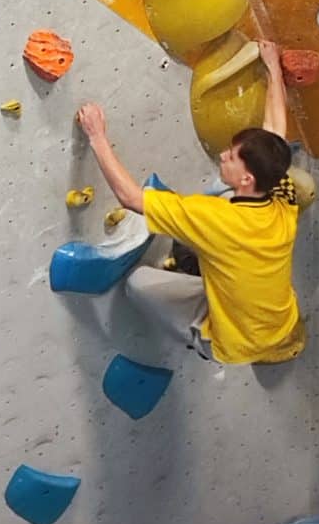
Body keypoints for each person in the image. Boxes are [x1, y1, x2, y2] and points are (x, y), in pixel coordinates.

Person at [76, 40, 305, 366]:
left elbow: (130, 198)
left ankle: (196, 338)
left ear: (247, 179)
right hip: (274, 323)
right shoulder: (282, 197)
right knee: (220, 190)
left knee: (138, 284)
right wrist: (273, 69)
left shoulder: (214, 219)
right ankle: (206, 271)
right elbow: (275, 135)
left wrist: (97, 136)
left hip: (232, 342)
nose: (223, 155)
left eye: (232, 157)